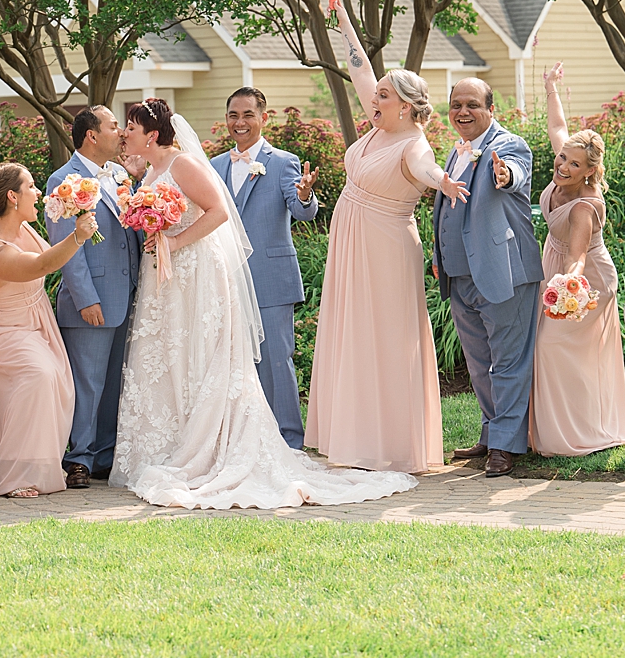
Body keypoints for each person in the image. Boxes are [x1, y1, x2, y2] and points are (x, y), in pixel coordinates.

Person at [110, 98, 418, 509]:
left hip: (196, 270)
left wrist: (175, 241)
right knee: (171, 354)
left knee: (206, 354)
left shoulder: (183, 165)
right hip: (166, 276)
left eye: (129, 127)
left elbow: (219, 212)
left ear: (151, 134)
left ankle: (217, 444)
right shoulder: (152, 168)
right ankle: (173, 440)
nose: (124, 133)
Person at [306, 1, 469, 474]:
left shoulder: (413, 141)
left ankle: (392, 443)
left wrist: (443, 181)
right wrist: (340, 16)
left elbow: (426, 168)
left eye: (382, 96)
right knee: (352, 334)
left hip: (385, 250)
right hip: (351, 246)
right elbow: (359, 67)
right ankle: (354, 436)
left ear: (405, 105)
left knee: (384, 338)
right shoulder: (380, 123)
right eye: (374, 94)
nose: (372, 100)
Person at [434, 77, 546, 478]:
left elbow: (513, 174)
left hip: (504, 273)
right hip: (460, 276)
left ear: (491, 109)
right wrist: (438, 256)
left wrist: (505, 176)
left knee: (509, 362)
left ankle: (506, 445)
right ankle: (490, 432)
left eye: (472, 105)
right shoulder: (454, 152)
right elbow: (445, 211)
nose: (463, 112)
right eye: (456, 105)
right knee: (479, 363)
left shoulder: (509, 145)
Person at [528, 62, 625, 456]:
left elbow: (576, 258)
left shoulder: (584, 207)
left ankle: (578, 431)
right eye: (562, 158)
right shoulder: (564, 163)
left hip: (585, 280)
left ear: (590, 171)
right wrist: (550, 87)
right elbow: (558, 128)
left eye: (574, 164)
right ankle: (558, 427)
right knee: (554, 349)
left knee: (553, 348)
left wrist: (567, 286)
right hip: (555, 266)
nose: (562, 165)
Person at [0, 163, 98, 497]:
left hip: (31, 323)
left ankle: (37, 465)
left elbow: (47, 255)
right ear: (13, 197)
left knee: (55, 383)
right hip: (4, 331)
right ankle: (15, 476)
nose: (38, 192)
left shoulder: (22, 226)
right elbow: (41, 265)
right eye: (31, 186)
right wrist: (78, 236)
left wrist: (75, 208)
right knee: (38, 377)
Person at [208, 88, 320, 451]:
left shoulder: (282, 161)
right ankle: (246, 437)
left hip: (271, 279)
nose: (239, 123)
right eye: (233, 115)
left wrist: (304, 195)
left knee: (276, 359)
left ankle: (289, 439)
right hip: (226, 279)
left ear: (263, 118)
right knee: (234, 360)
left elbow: (302, 211)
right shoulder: (214, 166)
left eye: (247, 115)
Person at [46, 106, 141, 488]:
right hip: (92, 300)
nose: (120, 132)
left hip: (128, 293)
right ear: (91, 135)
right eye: (114, 125)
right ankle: (78, 458)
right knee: (87, 382)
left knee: (113, 381)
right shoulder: (63, 181)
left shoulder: (119, 175)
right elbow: (64, 247)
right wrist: (86, 297)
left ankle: (104, 454)